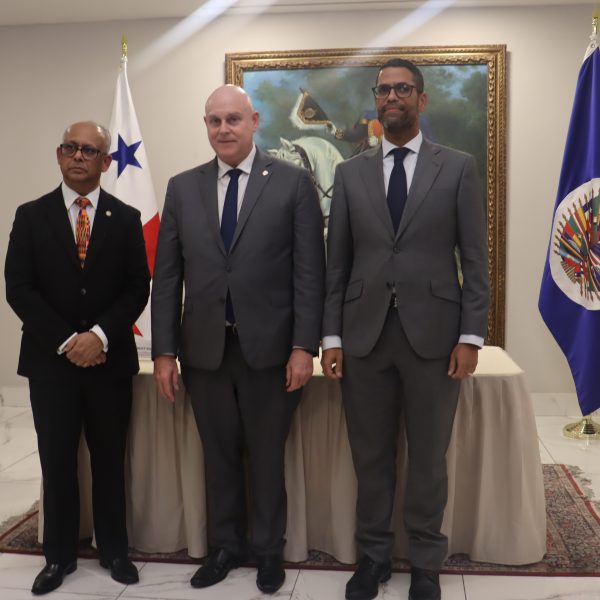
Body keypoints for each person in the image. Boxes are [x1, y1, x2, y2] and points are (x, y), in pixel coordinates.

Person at [321, 59, 490, 600]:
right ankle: (372, 559)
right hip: (363, 337)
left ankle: (425, 565)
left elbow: (475, 259)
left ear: (421, 99)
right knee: (369, 457)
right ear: (375, 99)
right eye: (383, 89)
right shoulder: (350, 174)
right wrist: (331, 336)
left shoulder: (458, 168)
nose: (391, 97)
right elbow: (336, 264)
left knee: (428, 459)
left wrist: (471, 336)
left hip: (435, 339)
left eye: (402, 89)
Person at [151, 84, 325, 595]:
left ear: (254, 122)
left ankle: (269, 552)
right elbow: (168, 276)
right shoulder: (183, 188)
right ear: (206, 126)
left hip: (270, 351)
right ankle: (226, 547)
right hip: (204, 351)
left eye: (233, 119)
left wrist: (304, 346)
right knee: (219, 455)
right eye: (214, 121)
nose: (223, 129)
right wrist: (164, 351)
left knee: (267, 457)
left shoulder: (293, 183)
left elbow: (308, 274)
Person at [4, 122, 150, 595]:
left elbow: (137, 287)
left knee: (109, 459)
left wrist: (100, 336)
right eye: (71, 148)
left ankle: (114, 550)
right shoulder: (31, 216)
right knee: (57, 460)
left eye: (89, 150)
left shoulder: (125, 218)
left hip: (110, 363)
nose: (79, 156)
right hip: (51, 363)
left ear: (106, 161)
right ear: (59, 154)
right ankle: (58, 556)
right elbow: (18, 288)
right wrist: (70, 340)